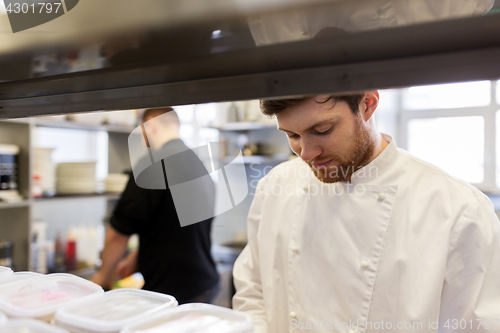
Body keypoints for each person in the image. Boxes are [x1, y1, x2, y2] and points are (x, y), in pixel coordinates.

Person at [232, 92, 500, 332]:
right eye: (292, 135)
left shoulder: (458, 208)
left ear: (367, 105)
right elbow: (251, 291)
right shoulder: (275, 187)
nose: (306, 153)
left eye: (322, 130)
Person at [92, 107, 220, 304]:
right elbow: (176, 226)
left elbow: (118, 234)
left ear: (150, 125)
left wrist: (102, 279)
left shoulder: (152, 166)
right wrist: (140, 255)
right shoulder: (198, 163)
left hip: (171, 293)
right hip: (205, 285)